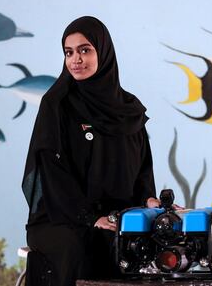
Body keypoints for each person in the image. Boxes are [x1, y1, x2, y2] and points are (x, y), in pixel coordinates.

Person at [21, 16, 160, 286]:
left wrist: (149, 201)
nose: (76, 59)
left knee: (153, 244)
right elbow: (52, 173)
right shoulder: (57, 104)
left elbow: (142, 164)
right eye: (69, 52)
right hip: (60, 217)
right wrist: (89, 217)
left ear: (103, 52)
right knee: (83, 246)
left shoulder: (128, 109)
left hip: (116, 216)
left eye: (85, 50)